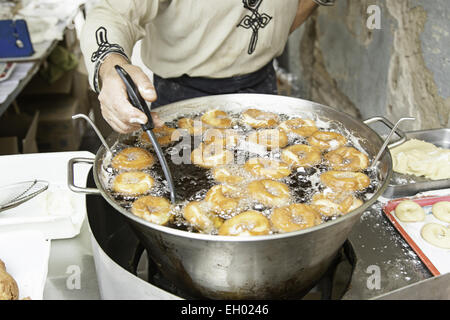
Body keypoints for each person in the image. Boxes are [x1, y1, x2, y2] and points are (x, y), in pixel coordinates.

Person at [80, 0, 335, 134]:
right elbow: (114, 13)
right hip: (182, 92)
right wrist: (111, 65)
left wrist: (269, 38)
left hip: (262, 83)